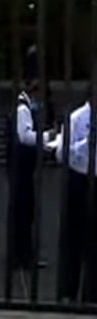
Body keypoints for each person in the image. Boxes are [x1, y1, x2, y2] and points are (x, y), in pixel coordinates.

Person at [7, 79, 56, 271]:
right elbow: (25, 136)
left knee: (24, 210)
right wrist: (46, 137)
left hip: (21, 168)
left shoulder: (23, 107)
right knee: (23, 211)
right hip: (20, 169)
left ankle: (22, 253)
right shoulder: (23, 109)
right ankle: (22, 255)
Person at [55, 100, 97, 303]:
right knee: (73, 237)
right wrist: (85, 144)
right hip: (78, 179)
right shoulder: (77, 118)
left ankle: (92, 295)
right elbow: (60, 153)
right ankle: (67, 292)